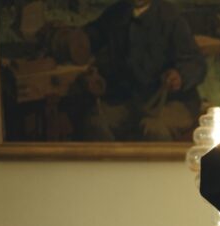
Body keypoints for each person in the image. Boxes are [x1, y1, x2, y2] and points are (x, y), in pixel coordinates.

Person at [76, 0, 207, 141]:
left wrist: (180, 76)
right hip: (129, 101)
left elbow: (196, 63)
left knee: (153, 129)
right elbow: (90, 37)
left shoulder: (170, 16)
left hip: (173, 102)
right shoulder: (115, 14)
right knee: (96, 122)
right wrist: (93, 72)